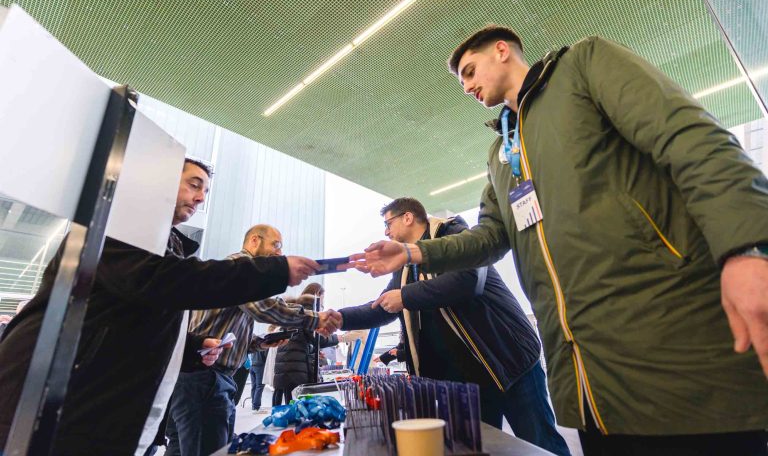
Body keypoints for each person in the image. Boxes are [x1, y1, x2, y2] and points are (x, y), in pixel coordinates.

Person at [353, 26, 768, 454]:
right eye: (462, 81)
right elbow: (491, 238)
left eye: (470, 71)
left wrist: (746, 249)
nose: (468, 86)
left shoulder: (583, 68)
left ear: (501, 51)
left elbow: (688, 136)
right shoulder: (501, 154)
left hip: (671, 339)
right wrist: (411, 251)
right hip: (588, 376)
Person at [0, 158, 320, 456]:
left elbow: (135, 315)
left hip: (97, 393)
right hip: (53, 391)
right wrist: (279, 271)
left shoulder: (165, 242)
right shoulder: (121, 224)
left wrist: (193, 349)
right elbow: (164, 282)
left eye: (205, 191)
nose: (200, 198)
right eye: (194, 185)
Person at [341, 197, 569, 455]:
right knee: (481, 448)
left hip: (508, 363)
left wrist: (405, 296)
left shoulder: (455, 234)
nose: (385, 231)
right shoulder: (405, 269)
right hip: (468, 384)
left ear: (408, 217)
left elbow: (468, 279)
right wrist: (338, 318)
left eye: (388, 223)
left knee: (542, 444)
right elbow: (383, 306)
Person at [165, 224, 342, 456]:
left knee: (181, 449)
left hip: (195, 379)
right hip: (204, 380)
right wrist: (315, 318)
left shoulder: (234, 270)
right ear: (254, 241)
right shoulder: (242, 267)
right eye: (276, 245)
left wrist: (259, 342)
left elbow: (223, 331)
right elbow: (265, 308)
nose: (279, 253)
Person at [272, 294, 339, 406]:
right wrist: (338, 338)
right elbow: (318, 340)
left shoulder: (290, 322)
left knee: (288, 403)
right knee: (297, 406)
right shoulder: (305, 321)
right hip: (295, 370)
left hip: (285, 370)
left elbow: (303, 343)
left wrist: (313, 352)